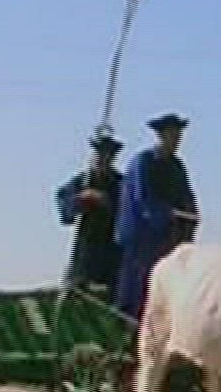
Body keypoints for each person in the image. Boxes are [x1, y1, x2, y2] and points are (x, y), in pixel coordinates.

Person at [114, 112, 200, 321]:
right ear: (161, 136)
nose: (176, 141)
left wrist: (191, 215)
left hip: (168, 236)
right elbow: (143, 198)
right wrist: (168, 213)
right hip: (141, 236)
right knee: (138, 286)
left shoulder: (176, 165)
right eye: (172, 135)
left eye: (178, 136)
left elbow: (187, 196)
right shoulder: (143, 162)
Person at [55, 133, 124, 298]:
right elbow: (66, 212)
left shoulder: (122, 184)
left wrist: (108, 203)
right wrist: (81, 199)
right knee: (76, 292)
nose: (103, 160)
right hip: (85, 250)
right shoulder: (81, 182)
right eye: (100, 155)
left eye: (108, 156)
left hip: (112, 250)